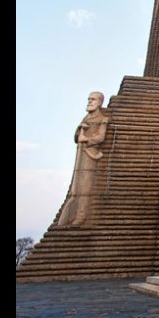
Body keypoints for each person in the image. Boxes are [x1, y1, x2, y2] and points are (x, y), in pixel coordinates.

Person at [56, 92, 111, 226]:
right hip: (81, 154)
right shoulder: (85, 118)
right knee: (77, 187)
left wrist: (87, 139)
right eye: (89, 99)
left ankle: (81, 216)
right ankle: (71, 214)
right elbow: (76, 137)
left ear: (100, 102)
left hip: (90, 153)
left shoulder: (103, 118)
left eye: (93, 99)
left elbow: (100, 137)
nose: (90, 101)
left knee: (85, 186)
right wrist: (79, 129)